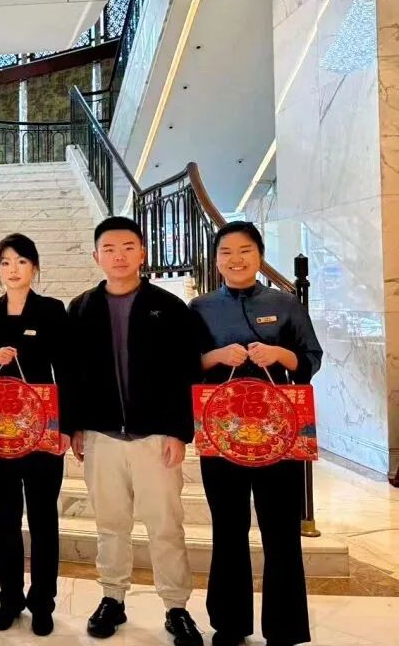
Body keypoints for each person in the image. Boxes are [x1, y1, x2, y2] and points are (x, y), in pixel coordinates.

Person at [65, 216, 204, 646]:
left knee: (165, 525)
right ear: (96, 256)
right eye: (109, 249)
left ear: (142, 253)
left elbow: (186, 372)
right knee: (111, 524)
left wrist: (179, 431)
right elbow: (71, 375)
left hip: (156, 437)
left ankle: (176, 607)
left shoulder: (170, 307)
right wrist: (74, 426)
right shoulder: (81, 308)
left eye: (128, 247)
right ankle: (113, 598)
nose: (119, 256)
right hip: (102, 437)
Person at [189, 221, 321, 646]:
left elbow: (311, 358)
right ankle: (229, 625)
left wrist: (280, 353)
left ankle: (284, 629)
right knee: (228, 529)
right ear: (216, 260)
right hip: (222, 434)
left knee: (281, 532)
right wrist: (214, 356)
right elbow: (185, 366)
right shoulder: (200, 308)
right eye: (226, 252)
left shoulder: (284, 303)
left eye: (245, 250)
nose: (236, 259)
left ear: (259, 256)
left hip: (279, 435)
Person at [0, 233, 73, 636]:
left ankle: (42, 602)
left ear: (35, 267)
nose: (13, 270)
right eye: (5, 263)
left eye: (21, 262)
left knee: (44, 518)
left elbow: (68, 371)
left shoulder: (51, 310)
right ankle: (9, 598)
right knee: (5, 517)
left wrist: (67, 427)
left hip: (43, 430)